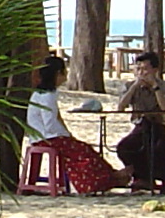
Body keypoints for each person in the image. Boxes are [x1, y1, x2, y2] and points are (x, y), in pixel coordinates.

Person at [24, 57, 122, 195]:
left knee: (83, 148)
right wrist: (66, 135)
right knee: (83, 152)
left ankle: (111, 176)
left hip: (43, 136)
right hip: (48, 137)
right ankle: (103, 180)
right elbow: (50, 123)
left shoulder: (39, 94)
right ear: (58, 73)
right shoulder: (48, 96)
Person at [114, 52, 165, 193]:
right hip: (140, 126)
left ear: (154, 70)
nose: (141, 73)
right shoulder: (130, 85)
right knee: (125, 147)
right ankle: (142, 177)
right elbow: (121, 107)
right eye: (138, 69)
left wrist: (154, 86)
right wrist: (134, 87)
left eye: (145, 69)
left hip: (158, 125)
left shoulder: (163, 86)